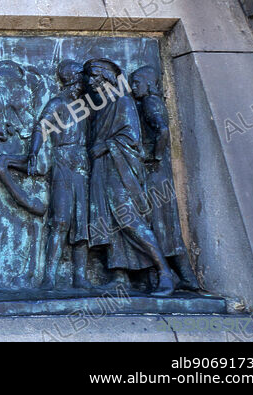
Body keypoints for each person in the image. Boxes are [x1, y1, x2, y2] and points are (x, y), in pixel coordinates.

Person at [84, 59, 176, 296]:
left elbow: (132, 138)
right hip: (103, 167)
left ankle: (164, 272)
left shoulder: (123, 102)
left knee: (129, 219)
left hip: (120, 167)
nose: (91, 82)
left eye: (95, 77)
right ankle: (120, 276)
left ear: (107, 77)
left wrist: (105, 145)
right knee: (110, 222)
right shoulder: (102, 106)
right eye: (89, 77)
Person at [130, 65, 201, 291]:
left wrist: (155, 156)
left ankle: (171, 276)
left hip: (155, 173)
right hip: (159, 173)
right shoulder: (151, 102)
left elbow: (162, 130)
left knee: (159, 223)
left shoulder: (150, 103)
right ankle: (185, 277)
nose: (133, 88)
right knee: (164, 225)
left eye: (137, 83)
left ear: (149, 83)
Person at [25, 60, 93, 289]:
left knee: (82, 224)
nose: (83, 84)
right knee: (61, 220)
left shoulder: (86, 105)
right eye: (80, 79)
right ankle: (49, 276)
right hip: (63, 161)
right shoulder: (58, 103)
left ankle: (80, 276)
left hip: (82, 163)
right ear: (71, 80)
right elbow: (41, 127)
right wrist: (33, 152)